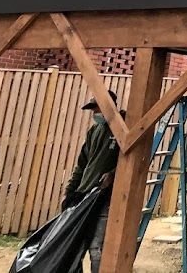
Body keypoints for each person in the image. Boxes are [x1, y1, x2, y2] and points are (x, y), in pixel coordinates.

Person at [62, 90, 121, 272]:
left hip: (104, 197)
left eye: (96, 109)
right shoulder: (94, 131)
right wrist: (71, 192)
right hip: (85, 194)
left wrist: (113, 173)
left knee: (97, 246)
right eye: (92, 110)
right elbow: (82, 164)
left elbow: (131, 160)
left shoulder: (122, 128)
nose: (94, 114)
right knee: (78, 243)